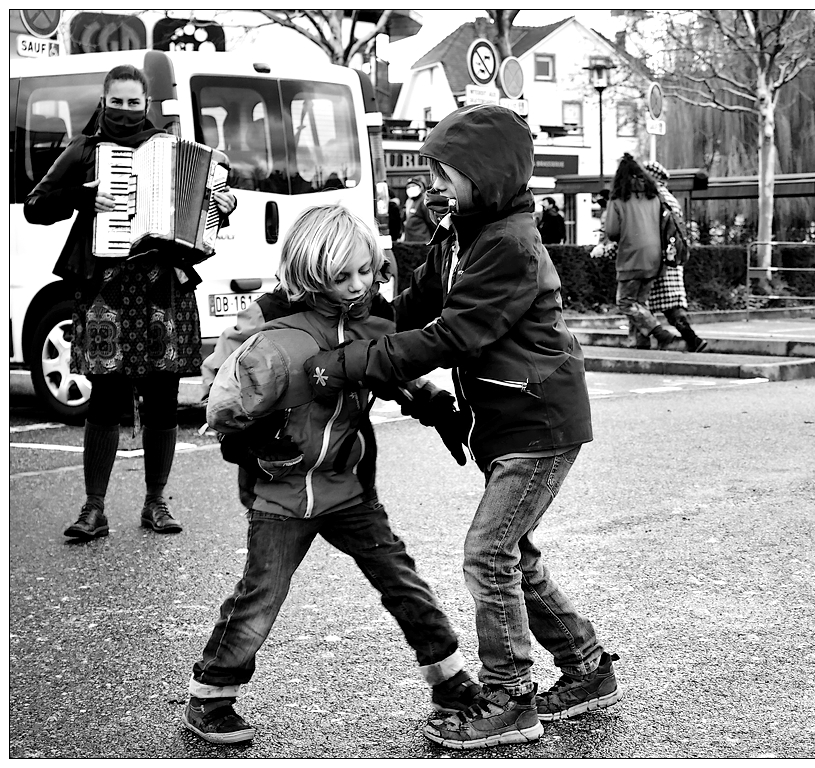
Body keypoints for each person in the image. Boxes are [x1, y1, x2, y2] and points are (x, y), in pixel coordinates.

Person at [302, 105, 622, 750]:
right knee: (515, 554)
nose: (434, 187)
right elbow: (413, 308)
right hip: (505, 420)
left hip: (538, 422)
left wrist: (347, 364)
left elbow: (452, 334)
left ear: (490, 176)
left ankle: (508, 696)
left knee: (488, 553)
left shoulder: (510, 244)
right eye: (432, 174)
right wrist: (336, 310)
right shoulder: (463, 230)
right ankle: (586, 667)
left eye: (447, 175)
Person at [185, 205, 480, 745]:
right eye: (341, 276)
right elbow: (218, 390)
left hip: (348, 487)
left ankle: (450, 681)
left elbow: (389, 369)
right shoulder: (268, 319)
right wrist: (249, 443)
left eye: (365, 271)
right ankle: (211, 695)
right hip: (280, 491)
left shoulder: (371, 317)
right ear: (309, 271)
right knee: (260, 595)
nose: (357, 285)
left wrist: (435, 404)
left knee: (402, 580)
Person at [23, 64, 238, 541]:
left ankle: (156, 503)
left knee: (162, 395)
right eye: (116, 102)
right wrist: (82, 198)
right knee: (106, 395)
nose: (124, 110)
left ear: (145, 104)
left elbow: (213, 200)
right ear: (104, 100)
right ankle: (93, 509)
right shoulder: (83, 150)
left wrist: (222, 207)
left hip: (163, 283)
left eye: (132, 102)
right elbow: (36, 206)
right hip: (106, 288)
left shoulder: (169, 148)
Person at [605, 153, 683, 350]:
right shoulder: (654, 197)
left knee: (625, 303)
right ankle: (639, 343)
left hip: (632, 256)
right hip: (655, 257)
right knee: (639, 302)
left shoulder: (617, 199)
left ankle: (659, 332)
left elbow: (612, 232)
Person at [641, 161, 708, 353]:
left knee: (642, 300)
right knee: (672, 303)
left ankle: (651, 340)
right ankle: (691, 338)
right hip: (673, 257)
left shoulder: (653, 198)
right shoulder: (670, 199)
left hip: (657, 257)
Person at [402, 175, 438, 243]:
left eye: (413, 186)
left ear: (420, 187)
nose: (411, 188)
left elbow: (431, 222)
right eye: (408, 187)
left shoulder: (423, 201)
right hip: (410, 240)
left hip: (421, 241)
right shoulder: (409, 201)